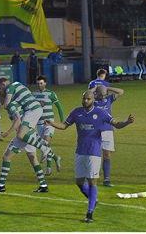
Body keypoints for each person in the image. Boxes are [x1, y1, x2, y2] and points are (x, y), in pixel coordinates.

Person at [46, 91, 135, 223]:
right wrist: (52, 123)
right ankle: (93, 199)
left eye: (88, 99)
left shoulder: (101, 113)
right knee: (79, 182)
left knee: (92, 181)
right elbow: (64, 125)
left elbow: (116, 124)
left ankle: (90, 213)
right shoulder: (76, 112)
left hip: (94, 153)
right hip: (80, 152)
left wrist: (127, 122)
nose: (85, 101)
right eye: (84, 99)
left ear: (93, 99)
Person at [0, 78, 60, 166]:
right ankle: (54, 157)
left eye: (0, 87)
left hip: (31, 110)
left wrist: (7, 132)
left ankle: (45, 149)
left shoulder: (10, 87)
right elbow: (4, 104)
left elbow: (6, 104)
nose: (0, 89)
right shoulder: (17, 84)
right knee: (32, 138)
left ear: (3, 84)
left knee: (21, 135)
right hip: (34, 110)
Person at [0, 101, 49, 193]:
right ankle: (43, 185)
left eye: (0, 97)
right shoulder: (15, 103)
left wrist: (7, 133)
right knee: (33, 159)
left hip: (23, 135)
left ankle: (1, 185)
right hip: (29, 133)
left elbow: (18, 120)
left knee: (6, 157)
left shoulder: (10, 105)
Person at [32, 75, 65, 175]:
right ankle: (55, 159)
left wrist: (62, 121)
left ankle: (48, 167)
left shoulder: (51, 94)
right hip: (39, 124)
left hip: (49, 123)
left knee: (45, 143)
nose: (39, 85)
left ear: (45, 83)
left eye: (41, 83)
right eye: (38, 83)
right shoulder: (33, 94)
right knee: (46, 146)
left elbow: (59, 107)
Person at [94, 85, 124, 187]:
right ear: (96, 93)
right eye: (101, 93)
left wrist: (108, 87)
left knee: (107, 155)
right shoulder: (92, 102)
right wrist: (96, 88)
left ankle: (106, 179)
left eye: (104, 93)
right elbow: (85, 94)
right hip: (95, 131)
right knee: (94, 154)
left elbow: (121, 91)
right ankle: (91, 176)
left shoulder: (108, 100)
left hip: (107, 131)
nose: (103, 95)